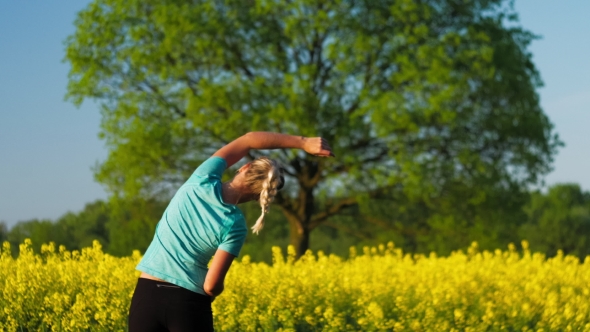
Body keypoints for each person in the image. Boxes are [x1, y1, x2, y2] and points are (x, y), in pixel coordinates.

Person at [128, 132, 334, 332]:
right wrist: (215, 293)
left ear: (244, 167)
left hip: (146, 295)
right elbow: (211, 286)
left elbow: (248, 140)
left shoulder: (201, 179)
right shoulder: (234, 223)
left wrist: (304, 142)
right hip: (188, 303)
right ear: (258, 197)